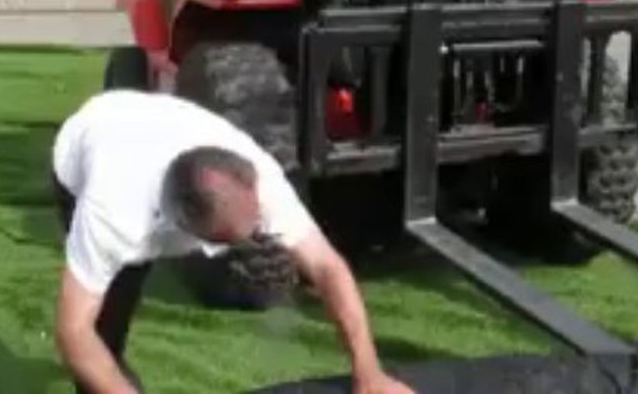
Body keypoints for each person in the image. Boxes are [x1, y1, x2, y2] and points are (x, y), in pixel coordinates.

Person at [51, 89, 414, 394]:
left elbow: (327, 266)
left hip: (152, 121)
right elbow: (73, 332)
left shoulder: (257, 179)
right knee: (107, 330)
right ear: (190, 232)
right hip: (89, 139)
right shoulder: (115, 213)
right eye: (241, 234)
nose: (261, 229)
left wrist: (369, 373)